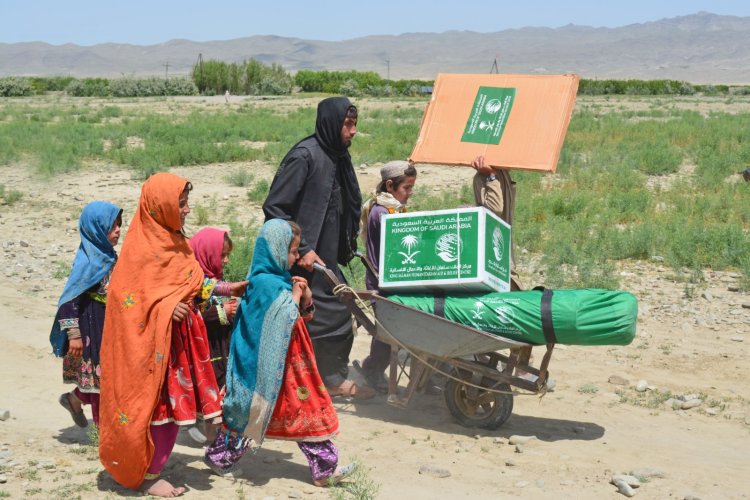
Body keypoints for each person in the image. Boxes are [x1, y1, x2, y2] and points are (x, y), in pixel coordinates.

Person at [98, 173, 222, 498]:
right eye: (181, 204)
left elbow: (192, 285)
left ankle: (153, 468)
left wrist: (224, 288)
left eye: (186, 203)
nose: (187, 210)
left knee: (172, 412)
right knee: (155, 412)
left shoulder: (176, 243)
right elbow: (127, 302)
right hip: (150, 354)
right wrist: (168, 309)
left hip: (176, 349)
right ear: (162, 206)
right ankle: (146, 474)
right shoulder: (139, 253)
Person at [204, 219, 353, 486]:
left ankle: (325, 468)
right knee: (253, 412)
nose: (296, 257)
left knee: (302, 412)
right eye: (292, 251)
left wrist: (305, 298)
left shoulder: (279, 280)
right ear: (275, 249)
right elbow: (282, 319)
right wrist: (295, 297)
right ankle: (220, 458)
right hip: (267, 367)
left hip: (291, 364)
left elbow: (299, 318)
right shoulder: (264, 284)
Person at [263, 96, 375, 400]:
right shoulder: (305, 156)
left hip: (325, 256)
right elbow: (275, 207)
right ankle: (325, 380)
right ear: (331, 123)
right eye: (348, 124)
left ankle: (315, 378)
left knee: (333, 314)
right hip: (302, 260)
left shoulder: (338, 156)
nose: (352, 131)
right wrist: (303, 249)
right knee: (333, 315)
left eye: (355, 125)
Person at [50, 201, 122, 428]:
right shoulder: (87, 262)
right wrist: (74, 334)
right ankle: (105, 436)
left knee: (108, 378)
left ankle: (73, 399)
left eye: (120, 225)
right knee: (100, 382)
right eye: (112, 226)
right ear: (96, 229)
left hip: (110, 327)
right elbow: (69, 300)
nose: (119, 230)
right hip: (91, 328)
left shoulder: (111, 257)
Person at [353, 161, 417, 392]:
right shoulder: (382, 213)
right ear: (390, 185)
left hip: (390, 280)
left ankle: (373, 366)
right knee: (387, 332)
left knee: (387, 331)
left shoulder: (390, 208)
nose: (409, 193)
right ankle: (373, 369)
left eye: (411, 188)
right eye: (406, 188)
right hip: (383, 282)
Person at [188, 227, 248, 442]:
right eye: (222, 255)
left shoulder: (211, 280)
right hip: (203, 350)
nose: (226, 261)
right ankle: (212, 440)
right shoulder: (189, 282)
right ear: (206, 254)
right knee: (207, 390)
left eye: (227, 255)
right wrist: (222, 312)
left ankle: (209, 431)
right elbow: (192, 316)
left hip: (217, 347)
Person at [471, 155, 523, 291]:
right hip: (496, 261)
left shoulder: (503, 174)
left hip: (502, 254)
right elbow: (494, 209)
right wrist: (491, 176)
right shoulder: (483, 177)